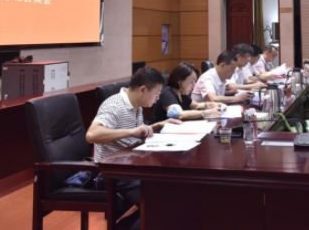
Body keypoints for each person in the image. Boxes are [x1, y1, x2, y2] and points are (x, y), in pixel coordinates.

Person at [86, 67, 180, 230]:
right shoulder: (115, 105)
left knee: (172, 193)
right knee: (160, 205)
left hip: (132, 167)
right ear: (143, 89)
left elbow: (137, 132)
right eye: (156, 94)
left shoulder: (136, 105)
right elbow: (92, 134)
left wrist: (159, 125)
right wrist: (131, 132)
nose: (158, 98)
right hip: (114, 172)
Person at [151, 63, 225, 124]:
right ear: (179, 80)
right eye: (192, 82)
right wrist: (206, 113)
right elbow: (179, 114)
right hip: (160, 133)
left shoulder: (181, 93)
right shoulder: (167, 93)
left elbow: (196, 106)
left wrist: (212, 104)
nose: (194, 85)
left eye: (195, 82)